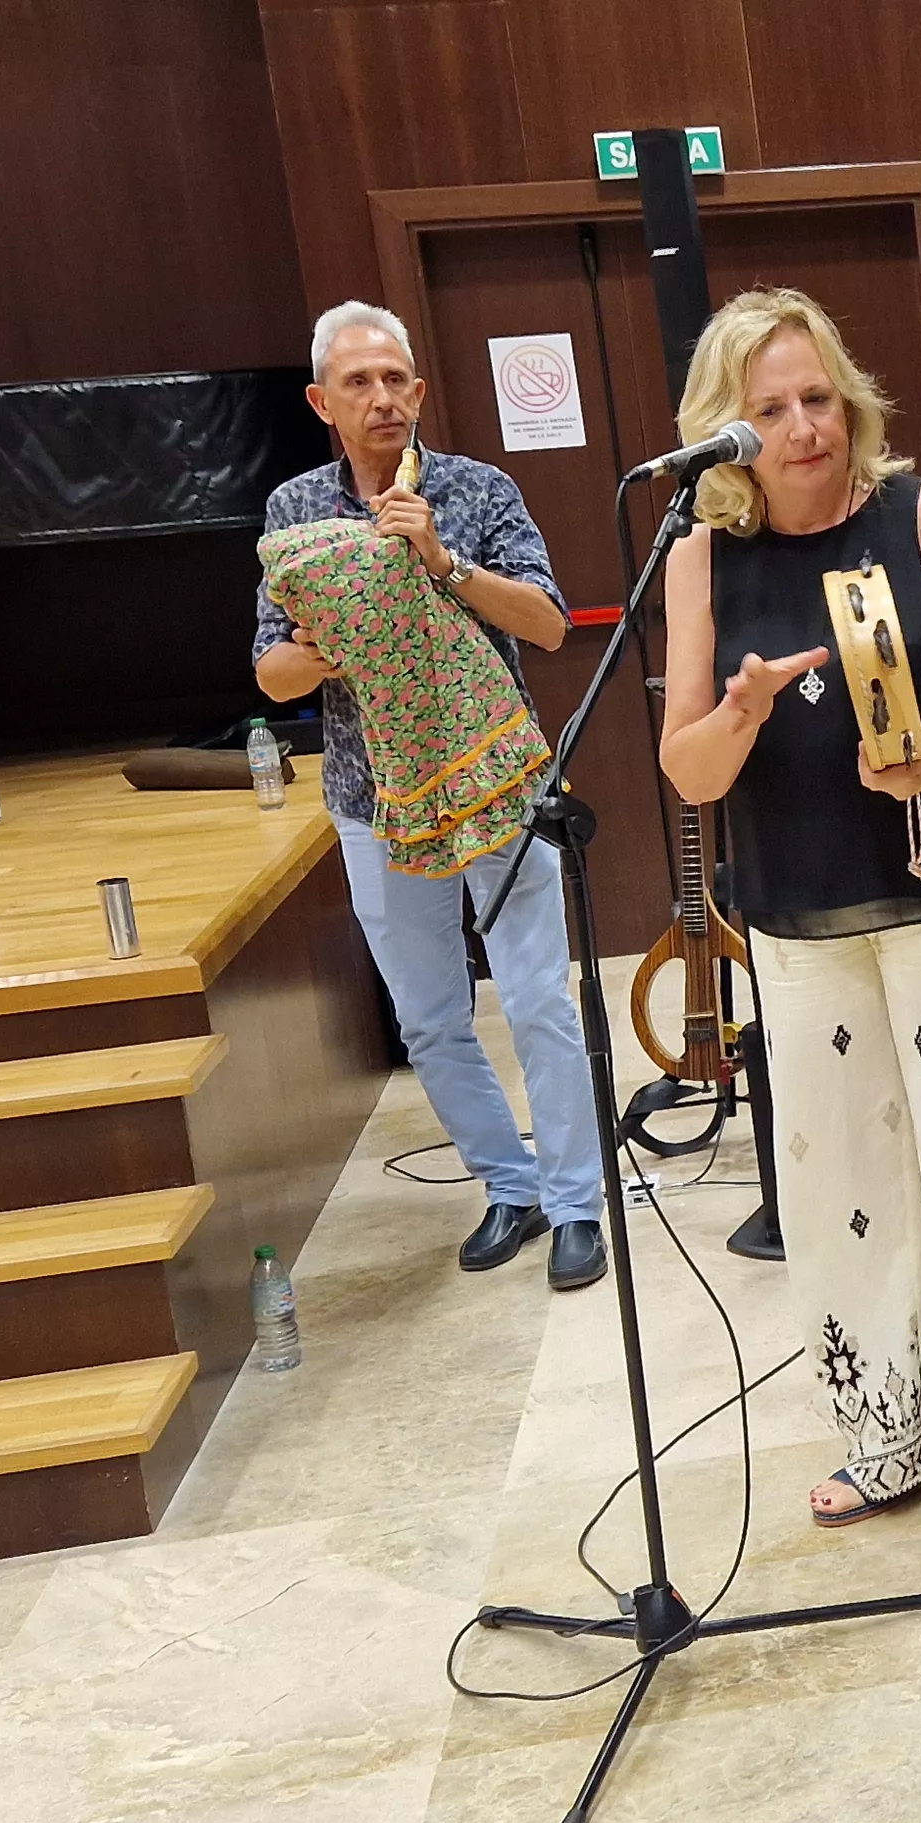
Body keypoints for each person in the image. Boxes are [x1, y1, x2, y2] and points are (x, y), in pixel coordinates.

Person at [653, 288, 921, 1573]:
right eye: (770, 410)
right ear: (723, 434)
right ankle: (892, 1428)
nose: (804, 428)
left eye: (818, 398)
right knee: (844, 1186)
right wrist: (738, 708)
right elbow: (688, 774)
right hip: (795, 913)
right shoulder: (699, 559)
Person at [252, 301, 608, 1291]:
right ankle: (512, 1186)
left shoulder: (478, 489)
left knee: (539, 1001)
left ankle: (578, 1202)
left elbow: (545, 624)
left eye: (395, 379)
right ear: (324, 400)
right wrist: (337, 632)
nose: (382, 399)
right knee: (429, 1017)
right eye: (359, 383)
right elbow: (269, 672)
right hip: (373, 799)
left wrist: (439, 563)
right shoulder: (294, 514)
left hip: (497, 786)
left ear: (419, 390)